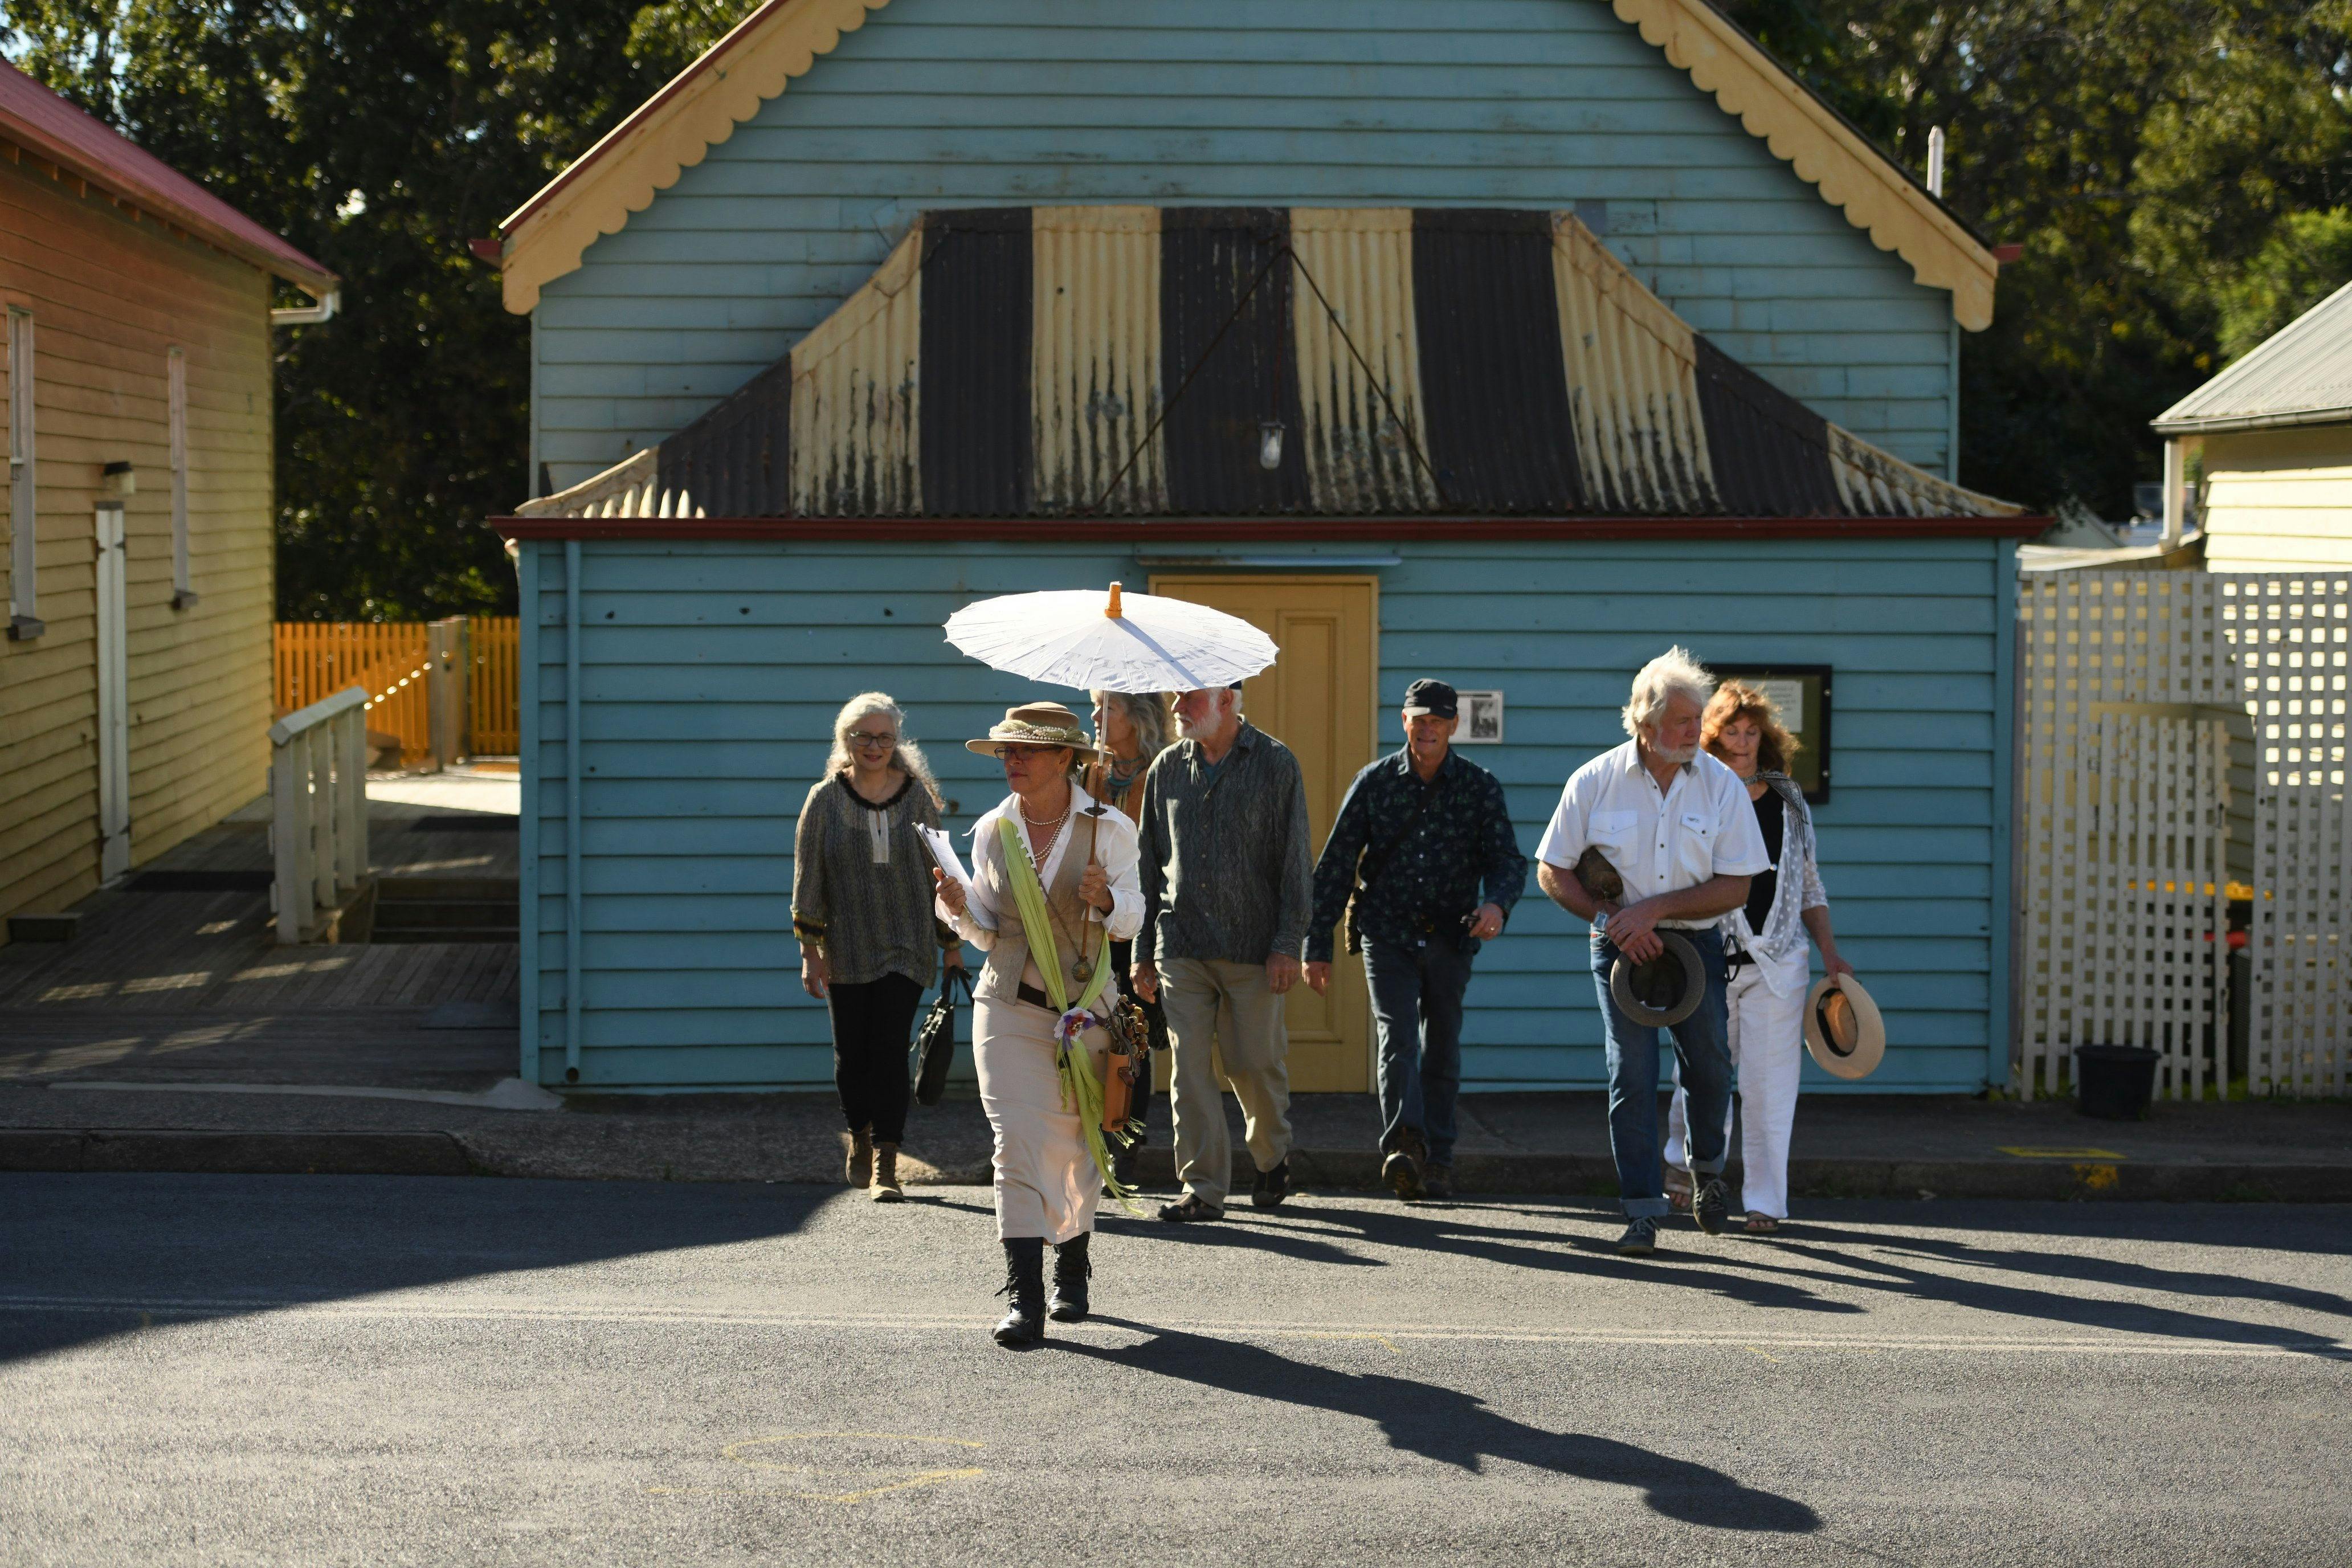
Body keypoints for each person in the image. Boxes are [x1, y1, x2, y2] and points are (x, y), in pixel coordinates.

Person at [1533, 648, 1767, 1256]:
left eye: (1698, 719)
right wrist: (1615, 922)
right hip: (1618, 948)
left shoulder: (1721, 785)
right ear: (1646, 721)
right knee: (1631, 1076)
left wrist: (1654, 911)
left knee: (1709, 1064)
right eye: (1683, 721)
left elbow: (1737, 885)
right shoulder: (1594, 780)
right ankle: (1642, 1210)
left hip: (1696, 943)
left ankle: (1707, 1172)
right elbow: (1552, 869)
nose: (1695, 731)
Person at [933, 701, 1143, 1348]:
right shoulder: (992, 829)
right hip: (1008, 1007)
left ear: (1065, 758)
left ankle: (1072, 1267)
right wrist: (955, 908)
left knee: (1077, 1144)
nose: (1012, 760)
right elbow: (986, 930)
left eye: (1026, 749)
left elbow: (1133, 920)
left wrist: (1106, 898)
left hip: (1087, 1010)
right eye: (1007, 750)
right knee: (1015, 1143)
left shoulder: (1110, 828)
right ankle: (1025, 1299)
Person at [1305, 679, 1526, 1202]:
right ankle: (1405, 1148)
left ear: (1453, 726)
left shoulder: (1478, 786)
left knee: (1441, 1045)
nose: (1428, 729)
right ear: (1404, 722)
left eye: (1437, 722)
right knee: (1398, 1038)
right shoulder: (1374, 783)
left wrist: (1496, 904)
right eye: (1419, 720)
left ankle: (1440, 1157)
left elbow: (1507, 860)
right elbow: (1335, 866)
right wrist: (1317, 947)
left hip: (1452, 934)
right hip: (1388, 933)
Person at [1662, 681, 1852, 1235]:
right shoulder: (1698, 790)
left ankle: (1765, 1202)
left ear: (1765, 736)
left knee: (1771, 1088)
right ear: (1713, 735)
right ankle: (1684, 1166)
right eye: (1732, 731)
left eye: (1752, 732)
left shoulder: (1789, 798)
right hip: (1710, 957)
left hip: (1780, 963)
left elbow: (1809, 882)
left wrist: (1830, 951)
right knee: (1702, 1074)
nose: (1743, 741)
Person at [1133, 683, 1312, 1223]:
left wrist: (1288, 944)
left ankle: (1272, 1156)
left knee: (1252, 1064)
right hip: (1181, 943)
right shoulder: (1166, 768)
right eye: (1176, 697)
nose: (1177, 708)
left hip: (1253, 947)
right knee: (1188, 1072)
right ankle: (1203, 1188)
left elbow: (1295, 861)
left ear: (1227, 701)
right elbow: (1148, 865)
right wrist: (1143, 950)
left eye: (1191, 698)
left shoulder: (1276, 764)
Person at [791, 692, 962, 1203]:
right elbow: (808, 878)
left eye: (884, 737)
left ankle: (887, 1162)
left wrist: (952, 944)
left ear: (897, 741)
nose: (874, 746)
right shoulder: (824, 799)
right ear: (845, 740)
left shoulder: (917, 797)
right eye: (863, 736)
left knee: (889, 1048)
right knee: (852, 1053)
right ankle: (860, 1135)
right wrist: (810, 952)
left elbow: (941, 871)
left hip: (907, 941)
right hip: (845, 944)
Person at [1084, 689, 1177, 1191]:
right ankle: (1086, 1144)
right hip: (1087, 923)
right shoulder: (1086, 772)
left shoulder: (1166, 770)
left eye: (1108, 708)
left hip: (1142, 923)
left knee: (1130, 1037)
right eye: (1095, 705)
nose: (1096, 716)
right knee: (1085, 1033)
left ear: (1138, 717)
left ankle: (1124, 1146)